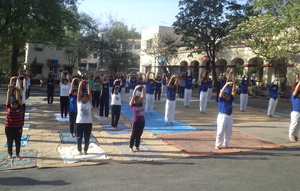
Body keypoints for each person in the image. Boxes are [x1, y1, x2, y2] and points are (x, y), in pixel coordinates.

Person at [215, 81, 236, 149]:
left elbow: (234, 92)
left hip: (229, 116)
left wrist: (234, 85)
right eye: (226, 96)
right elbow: (221, 93)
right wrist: (226, 85)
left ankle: (226, 144)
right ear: (224, 96)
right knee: (220, 131)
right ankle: (217, 145)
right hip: (222, 116)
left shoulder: (230, 100)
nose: (228, 97)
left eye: (228, 96)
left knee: (229, 131)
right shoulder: (221, 100)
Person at [5, 86, 24, 159]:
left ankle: (17, 154)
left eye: (15, 105)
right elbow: (8, 97)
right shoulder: (8, 107)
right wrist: (9, 89)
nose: (14, 106)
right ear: (11, 105)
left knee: (17, 141)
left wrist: (17, 90)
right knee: (9, 141)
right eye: (13, 105)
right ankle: (10, 154)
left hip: (18, 127)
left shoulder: (20, 107)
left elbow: (18, 98)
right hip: (9, 127)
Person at [76, 80, 93, 155]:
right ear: (81, 98)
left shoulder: (89, 103)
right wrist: (80, 84)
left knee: (87, 138)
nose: (85, 98)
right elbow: (79, 93)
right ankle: (79, 150)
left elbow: (89, 93)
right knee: (79, 137)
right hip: (79, 122)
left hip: (88, 122)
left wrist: (88, 84)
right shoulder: (79, 102)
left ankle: (85, 150)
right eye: (83, 97)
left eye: (86, 97)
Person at [129, 85, 145, 153]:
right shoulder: (133, 105)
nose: (139, 100)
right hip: (135, 122)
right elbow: (133, 97)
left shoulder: (141, 104)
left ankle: (137, 146)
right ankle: (131, 147)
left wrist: (143, 89)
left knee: (139, 134)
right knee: (133, 135)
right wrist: (135, 89)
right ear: (135, 100)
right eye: (137, 99)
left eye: (139, 99)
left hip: (142, 121)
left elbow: (143, 96)